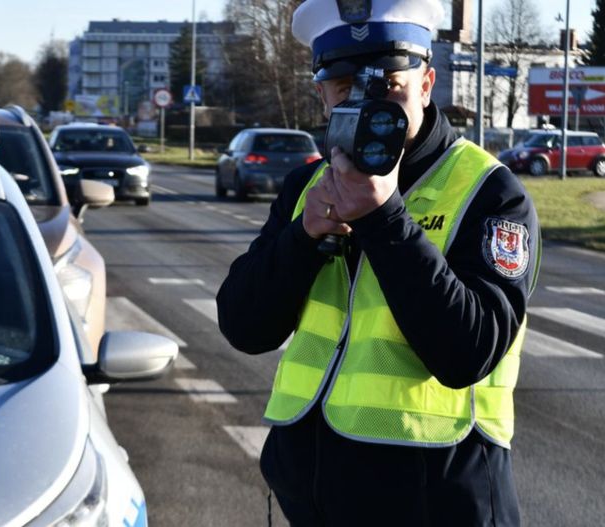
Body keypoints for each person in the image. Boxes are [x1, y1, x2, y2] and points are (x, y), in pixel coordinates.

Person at [216, 0, 540, 525]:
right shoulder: (307, 186)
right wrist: (302, 237)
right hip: (311, 504)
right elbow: (243, 326)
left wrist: (384, 219)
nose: (365, 105)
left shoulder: (490, 192)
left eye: (387, 85)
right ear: (322, 95)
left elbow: (468, 352)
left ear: (427, 83)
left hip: (436, 507)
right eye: (344, 87)